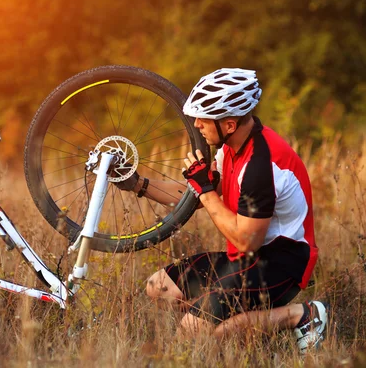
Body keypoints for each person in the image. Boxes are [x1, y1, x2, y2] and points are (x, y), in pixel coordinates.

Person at [115, 68, 329, 353]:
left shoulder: (260, 167)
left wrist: (205, 190)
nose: (196, 124)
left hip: (280, 263)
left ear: (228, 124)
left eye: (203, 118)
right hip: (246, 258)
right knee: (158, 287)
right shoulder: (232, 147)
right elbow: (196, 194)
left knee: (194, 336)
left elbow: (245, 238)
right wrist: (138, 183)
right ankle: (222, 322)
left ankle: (302, 316)